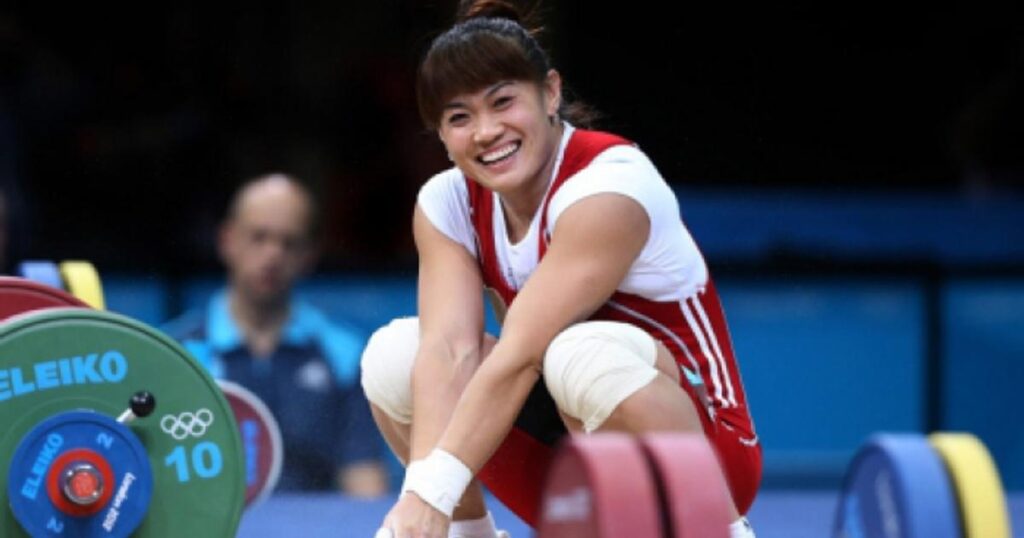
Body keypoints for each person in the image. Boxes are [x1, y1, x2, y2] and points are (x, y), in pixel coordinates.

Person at [359, 1, 761, 537]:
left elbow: (523, 355)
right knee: (395, 355)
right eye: (459, 118)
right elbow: (448, 353)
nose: (485, 131)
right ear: (440, 136)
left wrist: (432, 492)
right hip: (568, 463)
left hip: (708, 460)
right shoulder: (446, 203)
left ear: (550, 93)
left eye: (503, 102)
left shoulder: (611, 185)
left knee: (577, 354)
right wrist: (422, 500)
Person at [164, 173, 389, 496]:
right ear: (227, 241)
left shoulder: (346, 354)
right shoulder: (174, 353)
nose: (273, 255)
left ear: (309, 255)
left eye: (289, 242)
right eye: (259, 237)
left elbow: (365, 483)